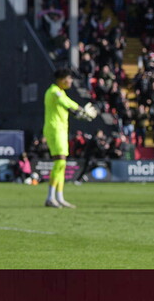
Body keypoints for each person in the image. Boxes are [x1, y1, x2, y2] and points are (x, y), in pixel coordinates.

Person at [42, 68, 97, 208]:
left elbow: (69, 106)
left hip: (61, 130)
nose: (70, 81)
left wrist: (80, 113)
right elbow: (67, 104)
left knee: (62, 164)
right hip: (54, 129)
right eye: (68, 78)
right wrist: (82, 111)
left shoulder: (60, 92)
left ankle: (59, 197)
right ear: (61, 79)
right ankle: (50, 197)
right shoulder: (54, 91)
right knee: (60, 162)